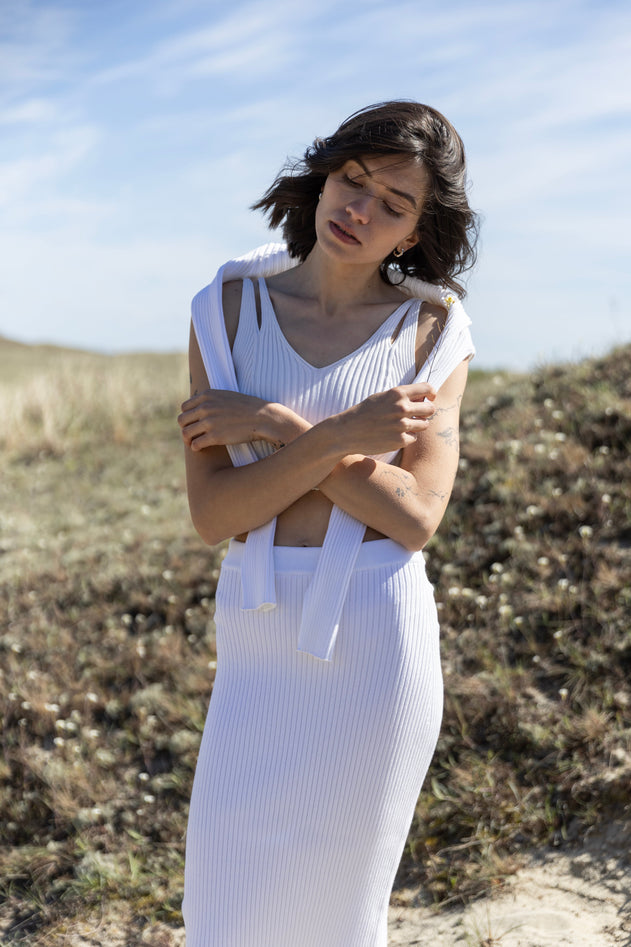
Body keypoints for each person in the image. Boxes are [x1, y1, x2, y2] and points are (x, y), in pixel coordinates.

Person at [177, 100, 478, 947]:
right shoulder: (225, 309)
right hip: (256, 635)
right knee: (223, 918)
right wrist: (348, 446)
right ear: (324, 173)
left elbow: (413, 518)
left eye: (393, 204)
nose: (360, 211)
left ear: (416, 232)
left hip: (378, 640)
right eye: (353, 181)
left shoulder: (431, 331)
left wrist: (287, 428)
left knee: (341, 924)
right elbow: (217, 513)